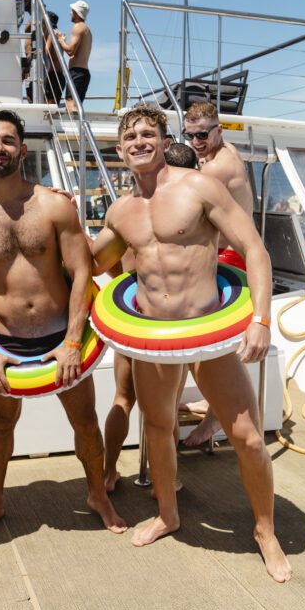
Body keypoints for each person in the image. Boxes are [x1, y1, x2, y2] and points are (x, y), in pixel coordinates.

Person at [90, 104, 292, 583]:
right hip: (154, 339)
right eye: (130, 137)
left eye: (147, 134)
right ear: (119, 151)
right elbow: (94, 263)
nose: (139, 141)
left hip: (207, 332)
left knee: (245, 437)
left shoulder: (199, 187)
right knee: (158, 429)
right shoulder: (120, 211)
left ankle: (265, 531)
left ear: (162, 141)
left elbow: (255, 250)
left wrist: (260, 320)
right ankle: (168, 513)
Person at [0, 110, 126, 539]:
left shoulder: (54, 206)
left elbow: (82, 273)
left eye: (8, 140)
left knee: (84, 422)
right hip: (6, 343)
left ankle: (96, 495)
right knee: (2, 424)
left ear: (22, 150)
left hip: (59, 336)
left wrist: (72, 341)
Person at [103, 139, 197, 493]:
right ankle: (167, 481)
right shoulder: (176, 212)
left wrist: (124, 285)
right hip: (161, 321)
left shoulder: (125, 212)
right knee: (167, 407)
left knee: (122, 399)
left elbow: (107, 262)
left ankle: (109, 471)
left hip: (130, 315)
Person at [180, 102, 255, 445]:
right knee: (215, 343)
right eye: (190, 134)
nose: (196, 141)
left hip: (231, 256)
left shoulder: (216, 170)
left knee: (217, 344)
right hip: (226, 252)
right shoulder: (223, 151)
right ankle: (213, 407)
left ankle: (216, 421)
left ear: (219, 129)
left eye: (203, 134)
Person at [55, 0, 92, 111]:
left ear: (76, 12)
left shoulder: (78, 27)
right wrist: (64, 42)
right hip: (82, 73)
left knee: (71, 103)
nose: (70, 13)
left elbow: (71, 51)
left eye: (72, 11)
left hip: (77, 72)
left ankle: (76, 128)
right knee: (75, 106)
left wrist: (60, 40)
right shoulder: (86, 29)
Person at [43, 11, 66, 104]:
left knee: (48, 109)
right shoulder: (60, 35)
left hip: (52, 75)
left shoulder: (51, 33)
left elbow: (46, 52)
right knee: (54, 107)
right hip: (60, 76)